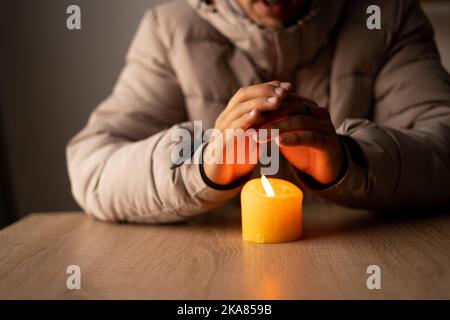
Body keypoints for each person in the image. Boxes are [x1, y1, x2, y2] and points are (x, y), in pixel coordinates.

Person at [67, 0, 450, 223]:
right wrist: (203, 165)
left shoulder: (387, 16)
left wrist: (348, 161)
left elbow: (443, 147)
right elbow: (93, 167)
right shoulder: (172, 30)